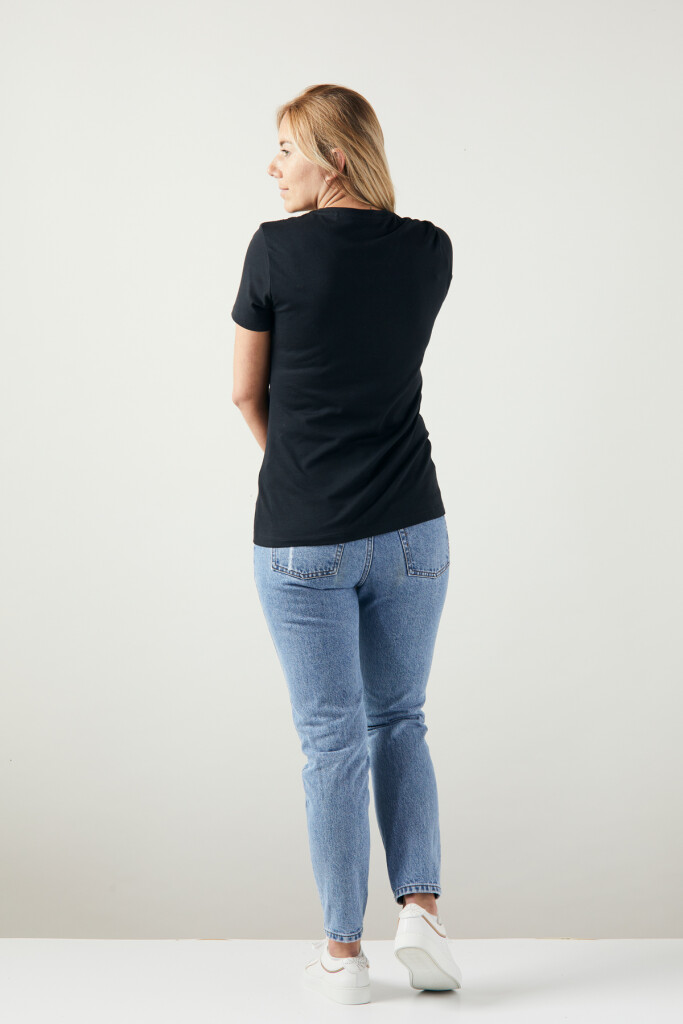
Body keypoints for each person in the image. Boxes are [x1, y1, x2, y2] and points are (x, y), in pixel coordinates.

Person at [231, 84, 463, 1003]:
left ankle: (342, 957)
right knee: (399, 719)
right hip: (414, 529)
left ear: (335, 156)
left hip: (305, 539)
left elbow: (245, 393)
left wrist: (297, 469)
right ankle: (422, 913)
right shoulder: (429, 250)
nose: (272, 166)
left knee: (331, 740)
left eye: (287, 148)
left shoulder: (274, 249)